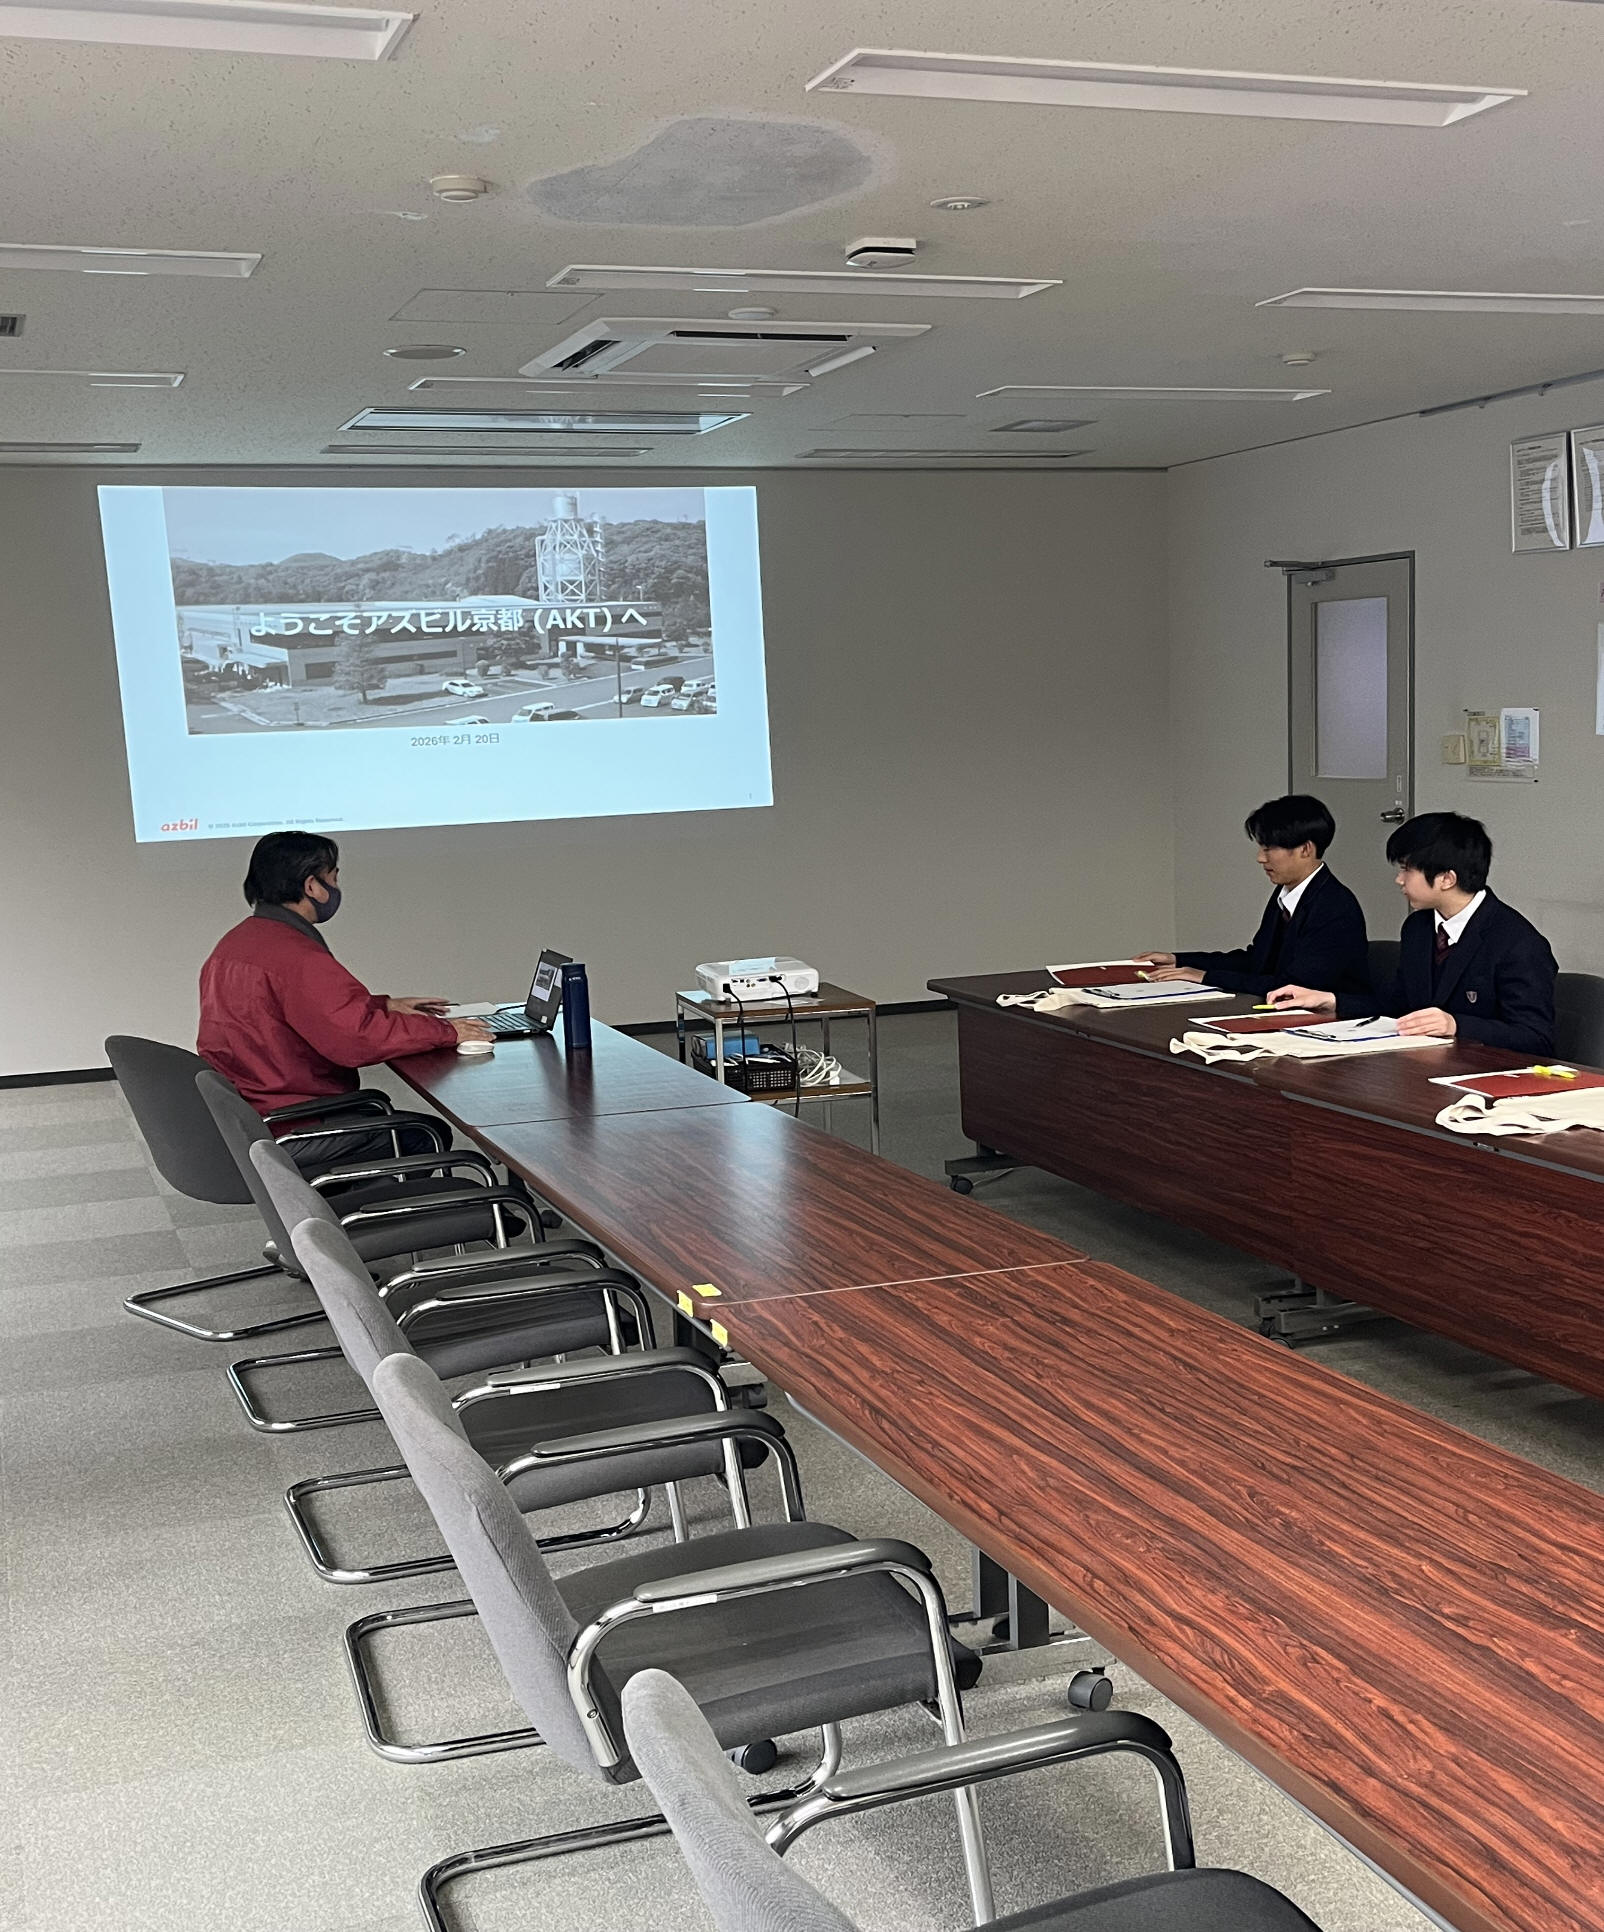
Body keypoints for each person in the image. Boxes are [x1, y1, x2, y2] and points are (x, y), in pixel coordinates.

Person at [198, 830, 491, 1160]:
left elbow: (296, 1011)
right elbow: (355, 1039)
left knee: (390, 1118)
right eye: (333, 877)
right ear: (312, 886)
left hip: (254, 1112)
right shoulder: (297, 957)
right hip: (295, 1117)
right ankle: (362, 1193)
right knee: (424, 1134)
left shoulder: (236, 943)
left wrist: (384, 1006)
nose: (336, 887)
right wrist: (446, 1031)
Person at [1270, 810, 1557, 1053]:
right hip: (1422, 1065)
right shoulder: (1418, 927)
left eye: (1407, 869)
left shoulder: (1517, 943)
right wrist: (1330, 1000)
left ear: (1446, 879)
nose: (1399, 879)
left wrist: (1456, 1025)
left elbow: (1536, 1037)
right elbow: (1396, 1005)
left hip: (1484, 1076)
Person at [1135, 793, 1369, 998]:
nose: (1260, 858)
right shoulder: (1287, 892)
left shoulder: (1334, 906)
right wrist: (1180, 961)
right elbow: (1257, 961)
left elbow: (1294, 987)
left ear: (1305, 849)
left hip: (1329, 1022)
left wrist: (1204, 977)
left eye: (1269, 848)